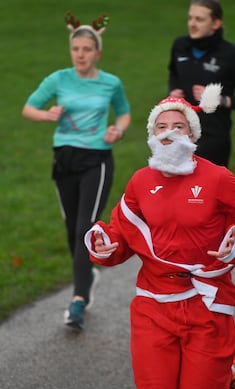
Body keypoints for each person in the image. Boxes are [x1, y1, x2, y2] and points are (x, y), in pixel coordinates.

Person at [84, 84, 235, 389]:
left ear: (193, 134)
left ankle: (228, 369)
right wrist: (103, 245)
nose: (169, 132)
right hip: (153, 306)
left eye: (178, 126)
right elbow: (120, 236)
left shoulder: (218, 178)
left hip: (206, 306)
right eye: (161, 127)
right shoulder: (140, 183)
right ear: (152, 137)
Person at [22, 11, 131, 330]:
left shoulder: (111, 83)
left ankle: (78, 300)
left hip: (96, 159)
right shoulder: (58, 79)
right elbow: (28, 108)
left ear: (98, 52)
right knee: (72, 229)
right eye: (75, 49)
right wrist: (46, 115)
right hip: (64, 159)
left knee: (85, 226)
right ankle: (89, 273)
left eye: (86, 49)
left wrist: (118, 130)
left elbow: (123, 114)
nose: (80, 54)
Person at [168, 0, 235, 167]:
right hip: (179, 135)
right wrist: (174, 90)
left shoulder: (232, 55)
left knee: (210, 192)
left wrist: (219, 100)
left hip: (213, 140)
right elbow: (174, 72)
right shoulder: (180, 45)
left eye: (199, 19)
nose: (192, 24)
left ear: (216, 23)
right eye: (190, 18)